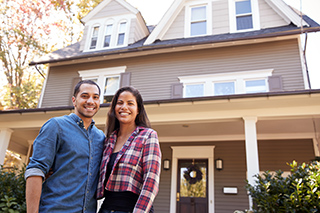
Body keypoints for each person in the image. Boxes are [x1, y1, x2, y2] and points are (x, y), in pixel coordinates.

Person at [25, 80, 105, 213]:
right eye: (85, 96)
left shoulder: (100, 137)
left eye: (95, 97)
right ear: (74, 100)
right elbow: (36, 170)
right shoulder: (56, 126)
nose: (91, 101)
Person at [97, 86, 161, 213]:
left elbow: (151, 181)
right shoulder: (109, 140)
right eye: (120, 103)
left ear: (138, 110)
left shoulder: (148, 136)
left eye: (130, 103)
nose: (124, 107)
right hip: (106, 208)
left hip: (133, 208)